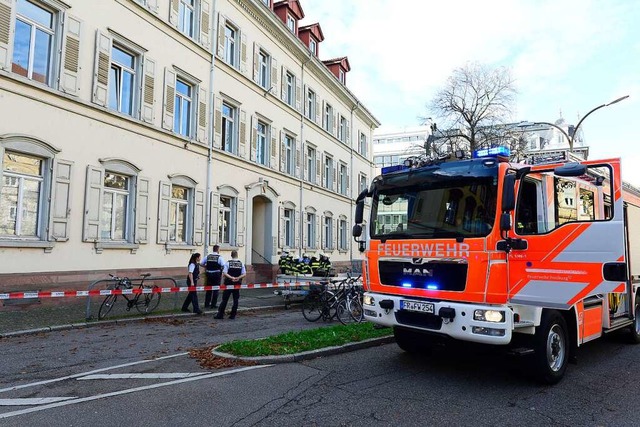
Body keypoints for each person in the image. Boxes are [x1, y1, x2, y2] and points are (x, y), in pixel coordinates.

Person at [214, 250, 245, 320]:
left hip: (229, 283)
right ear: (237, 255)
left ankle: (220, 314)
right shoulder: (241, 263)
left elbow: (224, 273)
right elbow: (244, 274)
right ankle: (233, 315)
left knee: (224, 299)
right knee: (235, 300)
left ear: (231, 255)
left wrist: (231, 278)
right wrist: (237, 278)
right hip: (237, 284)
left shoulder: (228, 263)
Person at [201, 245, 224, 309]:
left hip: (208, 274)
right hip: (216, 274)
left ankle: (207, 304)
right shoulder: (219, 257)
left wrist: (206, 266)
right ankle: (213, 304)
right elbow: (223, 265)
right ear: (218, 250)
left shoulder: (207, 256)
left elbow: (202, 263)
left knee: (208, 289)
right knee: (216, 290)